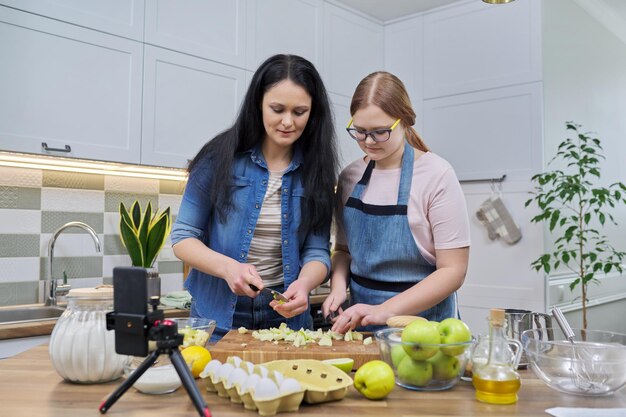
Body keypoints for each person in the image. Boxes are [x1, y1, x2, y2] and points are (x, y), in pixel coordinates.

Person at [171, 54, 338, 341]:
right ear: (258, 103)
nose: (288, 121)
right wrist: (228, 268)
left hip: (287, 318)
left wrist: (304, 283)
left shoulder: (317, 172)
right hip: (217, 317)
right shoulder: (218, 158)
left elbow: (317, 252)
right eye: (277, 109)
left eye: (299, 112)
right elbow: (183, 238)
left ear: (313, 113)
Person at [322, 71, 470, 334]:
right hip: (361, 324)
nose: (368, 142)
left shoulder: (437, 175)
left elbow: (453, 271)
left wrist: (382, 311)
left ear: (405, 121)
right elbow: (343, 251)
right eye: (359, 131)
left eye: (380, 132)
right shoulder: (349, 178)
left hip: (425, 330)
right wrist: (337, 288)